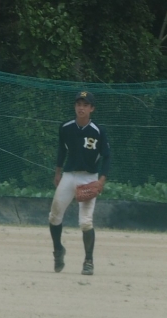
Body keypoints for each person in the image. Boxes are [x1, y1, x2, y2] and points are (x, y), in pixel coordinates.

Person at [48, 91, 111, 275]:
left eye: (85, 105)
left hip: (89, 178)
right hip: (69, 176)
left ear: (92, 109)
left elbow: (107, 157)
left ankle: (88, 261)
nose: (81, 108)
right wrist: (58, 172)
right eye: (78, 104)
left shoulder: (98, 131)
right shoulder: (66, 127)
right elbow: (62, 150)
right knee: (54, 216)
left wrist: (101, 180)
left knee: (85, 222)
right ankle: (58, 250)